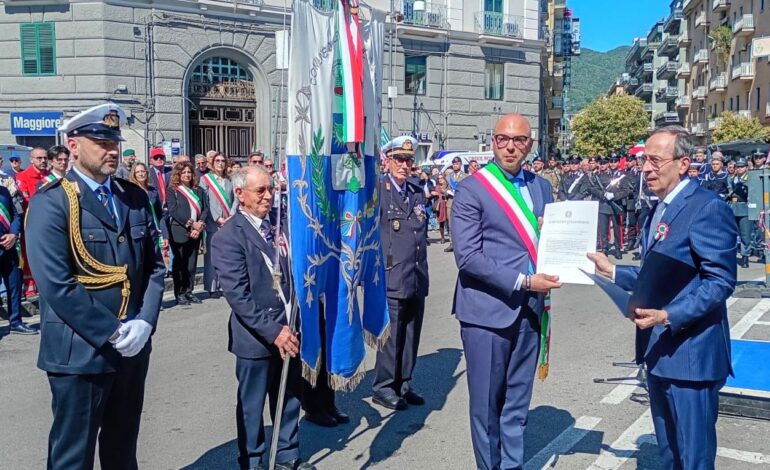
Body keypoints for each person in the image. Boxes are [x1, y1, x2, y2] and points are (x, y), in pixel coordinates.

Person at [26, 102, 165, 469]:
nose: (112, 150)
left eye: (114, 141)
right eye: (100, 142)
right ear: (73, 145)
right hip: (80, 351)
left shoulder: (132, 196)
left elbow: (154, 267)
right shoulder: (52, 202)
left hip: (132, 347)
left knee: (123, 448)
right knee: (74, 455)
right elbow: (57, 284)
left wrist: (145, 322)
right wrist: (112, 331)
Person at [589, 125, 736, 470]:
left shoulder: (706, 207)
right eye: (644, 160)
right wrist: (612, 271)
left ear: (683, 164)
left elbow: (720, 282)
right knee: (669, 454)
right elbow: (659, 273)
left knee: (694, 457)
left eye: (655, 161)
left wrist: (668, 315)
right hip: (659, 351)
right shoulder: (659, 208)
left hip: (692, 357)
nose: (646, 168)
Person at [451, 114, 562, 470]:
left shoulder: (542, 187)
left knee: (517, 402)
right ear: (492, 142)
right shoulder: (472, 188)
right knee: (486, 405)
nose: (510, 146)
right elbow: (468, 257)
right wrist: (525, 281)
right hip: (486, 311)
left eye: (519, 140)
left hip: (530, 310)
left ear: (530, 145)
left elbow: (552, 243)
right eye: (503, 139)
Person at [212, 166, 315, 470]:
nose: (268, 196)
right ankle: (254, 461)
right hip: (257, 338)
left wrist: (291, 327)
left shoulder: (280, 227)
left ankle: (287, 455)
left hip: (289, 328)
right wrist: (274, 332)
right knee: (252, 407)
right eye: (261, 191)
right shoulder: (229, 236)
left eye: (271, 189)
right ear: (240, 195)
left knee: (288, 399)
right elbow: (239, 297)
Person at [372, 135, 429, 411]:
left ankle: (404, 382)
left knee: (411, 332)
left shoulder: (416, 191)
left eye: (408, 160)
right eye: (399, 160)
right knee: (392, 335)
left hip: (417, 273)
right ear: (387, 161)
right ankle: (384, 386)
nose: (404, 165)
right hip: (393, 273)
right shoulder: (380, 191)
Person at [166, 161, 208, 306]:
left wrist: (200, 225)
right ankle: (180, 293)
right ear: (178, 174)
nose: (187, 175)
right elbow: (173, 210)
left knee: (191, 264)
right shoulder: (173, 190)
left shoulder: (199, 190)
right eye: (183, 172)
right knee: (180, 264)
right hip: (179, 231)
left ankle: (189, 291)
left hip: (197, 232)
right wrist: (191, 224)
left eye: (189, 172)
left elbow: (205, 209)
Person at [200, 153, 236, 298]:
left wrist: (231, 216)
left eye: (222, 161)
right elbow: (205, 201)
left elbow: (236, 200)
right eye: (217, 161)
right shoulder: (205, 179)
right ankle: (212, 286)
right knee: (212, 256)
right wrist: (216, 218)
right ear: (212, 163)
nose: (220, 164)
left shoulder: (229, 180)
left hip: (228, 222)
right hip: (212, 223)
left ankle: (225, 285)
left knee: (227, 256)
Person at [17, 146, 50, 297]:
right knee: (29, 253)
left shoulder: (50, 176)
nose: (43, 161)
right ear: (31, 160)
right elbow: (26, 201)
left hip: (50, 223)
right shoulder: (23, 177)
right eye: (39, 158)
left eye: (45, 158)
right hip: (30, 222)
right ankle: (29, 286)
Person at [0, 182, 32, 335]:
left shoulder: (5, 191)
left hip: (9, 247)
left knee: (15, 286)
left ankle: (16, 322)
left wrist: (13, 234)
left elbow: (16, 214)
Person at [129, 162, 167, 251]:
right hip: (139, 234)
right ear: (133, 175)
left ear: (147, 172)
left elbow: (159, 215)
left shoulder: (153, 191)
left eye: (143, 171)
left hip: (154, 233)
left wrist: (165, 234)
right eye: (137, 172)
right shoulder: (130, 191)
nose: (141, 174)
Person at [729, 158, 751, 268]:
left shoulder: (749, 178)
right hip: (733, 208)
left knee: (745, 234)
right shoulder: (732, 178)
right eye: (738, 166)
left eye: (742, 166)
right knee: (733, 233)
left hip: (744, 209)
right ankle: (733, 254)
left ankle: (745, 256)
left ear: (746, 167)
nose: (739, 168)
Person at [442, 156, 468, 253]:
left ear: (460, 164)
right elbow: (443, 188)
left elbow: (467, 189)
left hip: (461, 203)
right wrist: (447, 191)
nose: (455, 165)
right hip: (450, 202)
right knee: (450, 224)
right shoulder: (448, 177)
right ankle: (452, 243)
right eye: (453, 164)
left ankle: (461, 243)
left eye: (456, 164)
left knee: (461, 223)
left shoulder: (465, 176)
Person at [434, 174, 450, 244]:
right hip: (440, 205)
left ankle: (451, 237)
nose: (440, 179)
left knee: (449, 222)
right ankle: (442, 237)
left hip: (448, 204)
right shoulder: (437, 187)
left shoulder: (448, 186)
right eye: (439, 178)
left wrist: (445, 192)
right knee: (441, 222)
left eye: (442, 178)